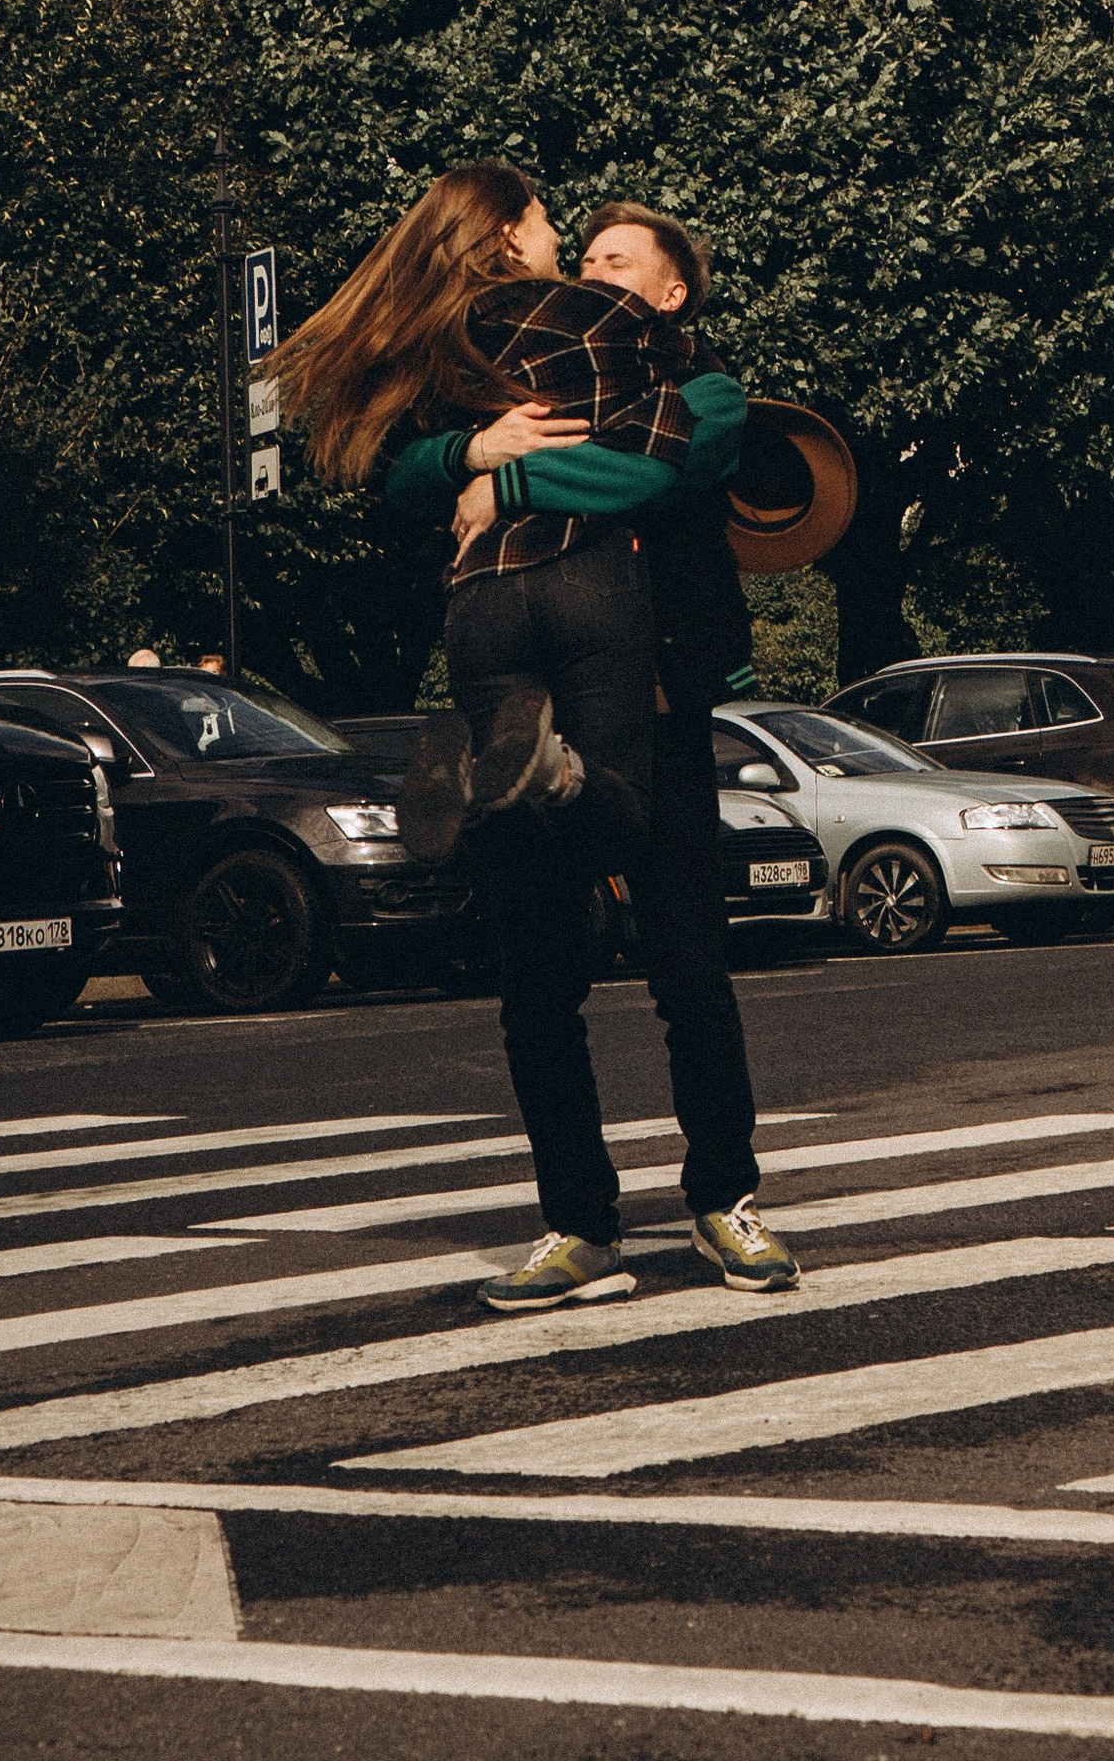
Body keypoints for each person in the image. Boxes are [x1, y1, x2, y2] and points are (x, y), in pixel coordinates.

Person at [273, 164, 795, 1317]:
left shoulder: (704, 389)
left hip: (656, 707)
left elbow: (651, 473)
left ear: (667, 297)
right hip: (523, 711)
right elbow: (399, 475)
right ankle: (578, 1224)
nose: (588, 271)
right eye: (584, 251)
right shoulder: (506, 376)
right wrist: (468, 453)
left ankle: (725, 1198)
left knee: (689, 974)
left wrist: (506, 485)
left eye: (617, 263)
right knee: (537, 985)